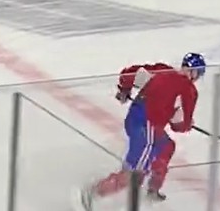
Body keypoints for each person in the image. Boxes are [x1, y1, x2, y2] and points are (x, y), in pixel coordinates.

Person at [76, 53, 206, 210]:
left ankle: (153, 189)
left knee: (166, 146)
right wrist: (187, 124)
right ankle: (93, 193)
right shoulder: (189, 91)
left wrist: (124, 91)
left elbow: (128, 74)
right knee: (134, 174)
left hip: (134, 120)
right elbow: (180, 126)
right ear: (195, 73)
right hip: (147, 127)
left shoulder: (162, 70)